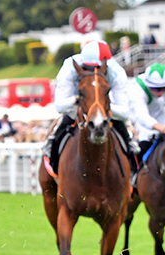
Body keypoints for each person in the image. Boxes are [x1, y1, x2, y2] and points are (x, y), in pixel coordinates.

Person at [42, 39, 139, 177]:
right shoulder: (69, 67)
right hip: (75, 111)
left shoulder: (117, 73)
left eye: (98, 68)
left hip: (106, 112)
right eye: (88, 68)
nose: (93, 71)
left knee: (127, 137)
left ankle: (133, 168)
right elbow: (60, 106)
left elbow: (124, 112)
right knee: (59, 131)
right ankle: (51, 154)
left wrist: (103, 111)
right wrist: (77, 101)